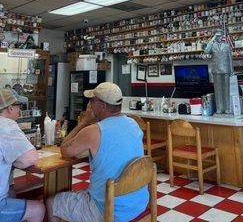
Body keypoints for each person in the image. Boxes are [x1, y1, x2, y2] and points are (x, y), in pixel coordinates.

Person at [46, 82, 149, 222]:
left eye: (92, 100)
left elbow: (64, 150)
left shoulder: (94, 130)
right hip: (138, 204)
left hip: (107, 210)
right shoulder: (133, 124)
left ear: (102, 106)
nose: (89, 104)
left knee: (52, 202)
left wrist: (84, 122)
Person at [0, 89, 45, 222]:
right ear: (10, 108)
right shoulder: (7, 125)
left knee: (12, 191)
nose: (20, 109)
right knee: (39, 209)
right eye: (18, 105)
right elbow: (30, 159)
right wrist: (14, 160)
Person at [205, 29, 233, 114]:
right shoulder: (212, 45)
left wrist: (231, 70)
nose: (219, 37)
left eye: (220, 35)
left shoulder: (227, 46)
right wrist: (212, 39)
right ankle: (219, 108)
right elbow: (206, 51)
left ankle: (227, 108)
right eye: (217, 36)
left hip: (226, 70)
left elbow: (230, 59)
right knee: (218, 90)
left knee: (227, 90)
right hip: (216, 70)